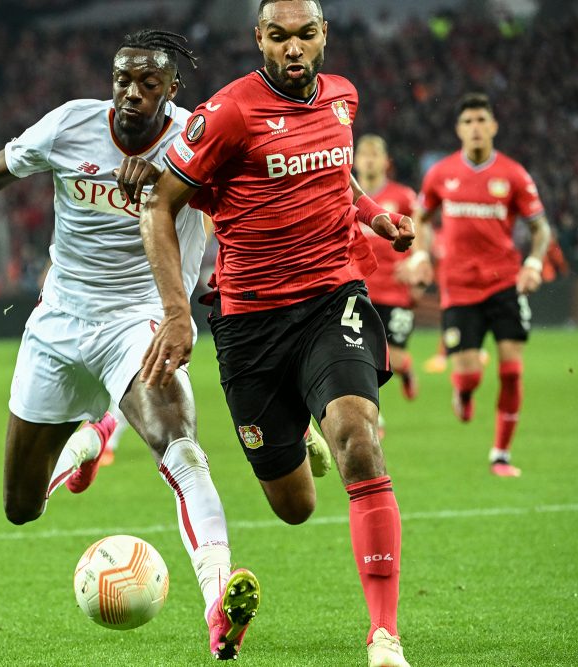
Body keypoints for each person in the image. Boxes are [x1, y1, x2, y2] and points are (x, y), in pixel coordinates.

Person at [0, 30, 260, 660]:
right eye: (122, 80)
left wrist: (167, 186)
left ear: (172, 89)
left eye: (147, 83)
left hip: (138, 322)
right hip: (59, 323)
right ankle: (91, 441)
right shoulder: (69, 125)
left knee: (182, 451)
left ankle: (219, 606)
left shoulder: (199, 138)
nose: (131, 94)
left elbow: (250, 203)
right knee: (20, 508)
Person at [138, 3, 413, 666]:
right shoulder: (228, 114)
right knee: (293, 505)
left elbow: (337, 174)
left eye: (306, 34)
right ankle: (304, 427)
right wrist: (177, 311)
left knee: (361, 441)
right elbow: (159, 201)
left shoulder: (343, 98)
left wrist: (373, 217)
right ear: (258, 37)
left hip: (330, 298)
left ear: (325, 36)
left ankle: (384, 634)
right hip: (250, 324)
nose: (294, 48)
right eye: (279, 36)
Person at [406, 92, 551, 478]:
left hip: (505, 283)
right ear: (459, 129)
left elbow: (540, 228)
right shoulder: (441, 174)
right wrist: (420, 256)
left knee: (511, 371)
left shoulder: (513, 174)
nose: (475, 128)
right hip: (458, 289)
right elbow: (420, 217)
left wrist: (534, 264)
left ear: (493, 126)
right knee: (470, 374)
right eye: (467, 121)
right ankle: (464, 391)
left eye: (481, 120)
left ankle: (500, 455)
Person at [354, 134, 420, 403]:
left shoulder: (402, 196)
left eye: (375, 155)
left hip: (394, 290)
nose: (369, 160)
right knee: (358, 354)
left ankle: (406, 370)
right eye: (364, 154)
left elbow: (421, 230)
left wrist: (417, 263)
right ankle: (372, 418)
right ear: (355, 160)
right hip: (357, 287)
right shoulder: (342, 196)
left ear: (385, 161)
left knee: (396, 357)